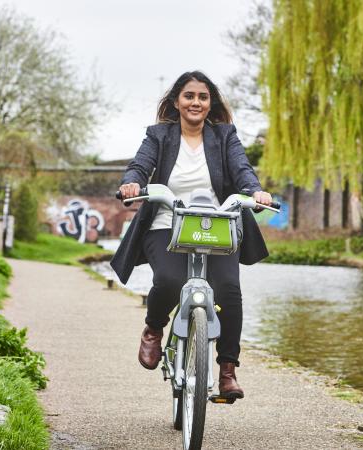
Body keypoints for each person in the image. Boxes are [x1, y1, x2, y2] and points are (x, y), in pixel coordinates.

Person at [110, 71, 272, 399]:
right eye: (189, 96)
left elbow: (242, 169)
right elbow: (141, 166)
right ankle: (154, 328)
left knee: (228, 290)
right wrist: (132, 183)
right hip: (167, 223)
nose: (195, 102)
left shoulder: (225, 136)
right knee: (169, 279)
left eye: (202, 97)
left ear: (210, 104)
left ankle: (227, 370)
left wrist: (254, 191)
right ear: (176, 102)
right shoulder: (159, 135)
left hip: (217, 225)